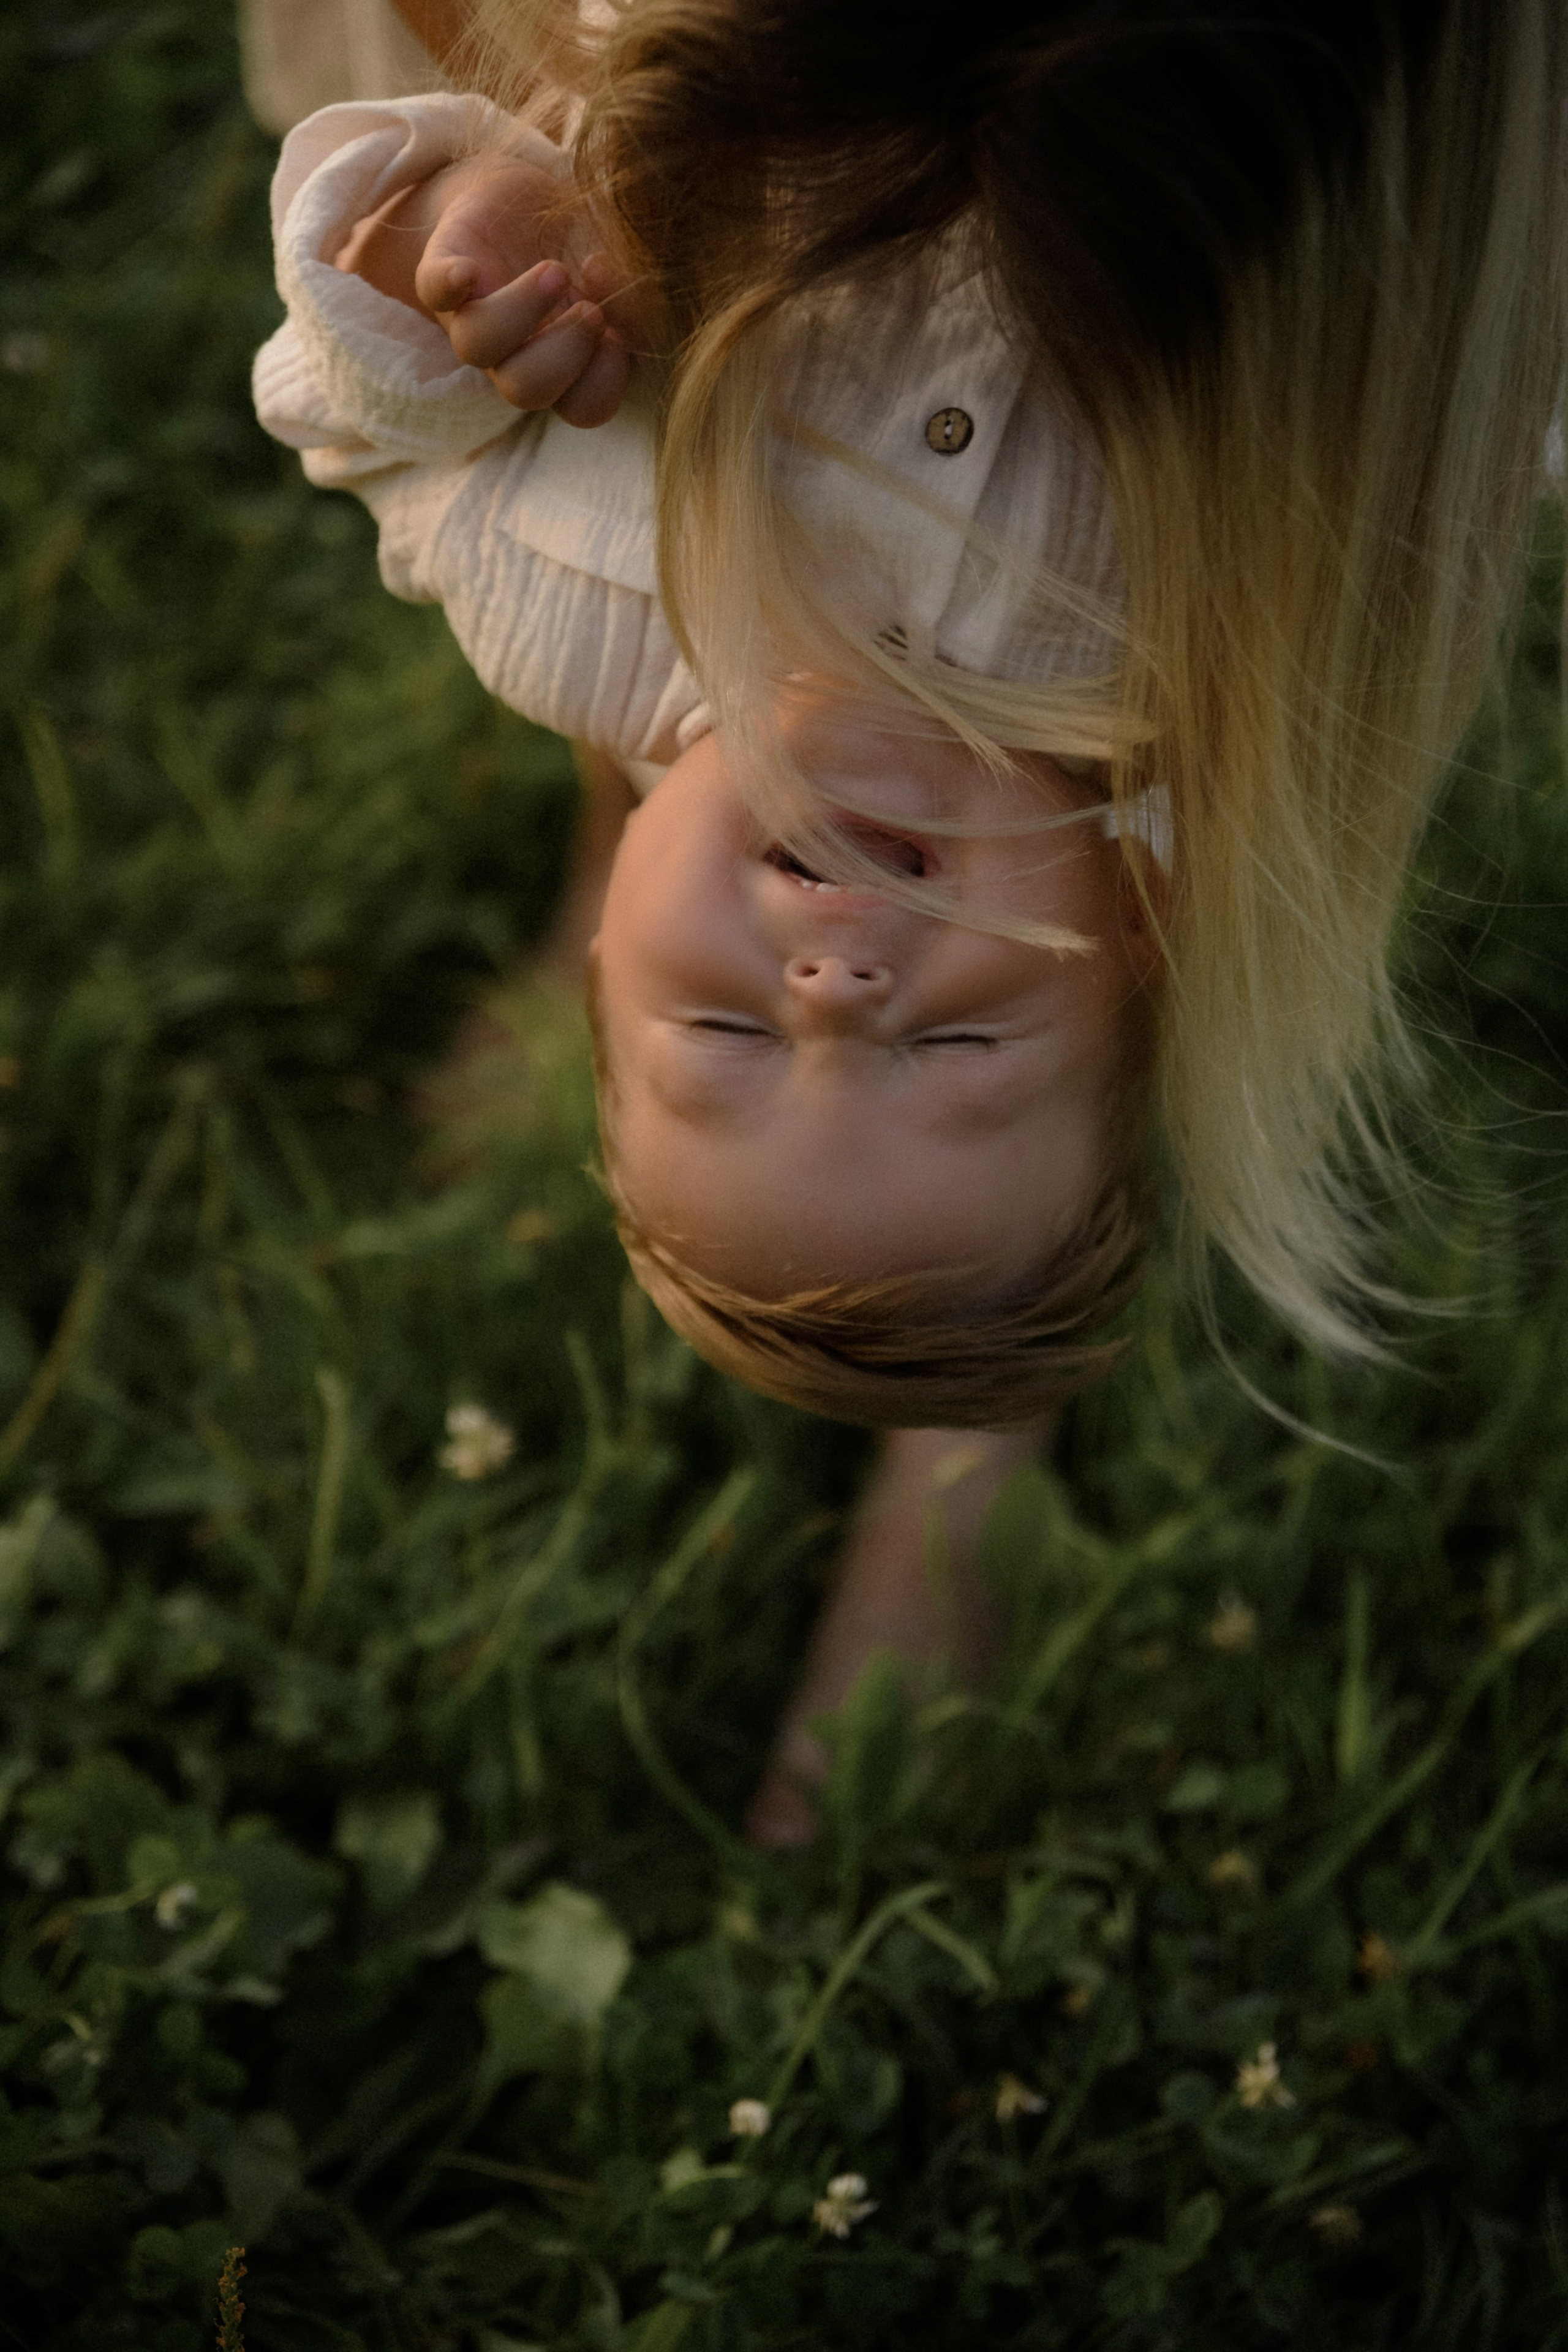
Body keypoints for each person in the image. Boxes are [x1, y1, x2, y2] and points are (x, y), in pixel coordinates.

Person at [253, 0, 1566, 1834]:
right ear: (1143, 937)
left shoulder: (563, 616)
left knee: (657, 712)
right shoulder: (1185, 684)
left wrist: (436, 260)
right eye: (947, 1039)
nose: (831, 978)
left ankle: (943, 1374)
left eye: (719, 1026)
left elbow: (369, 437)